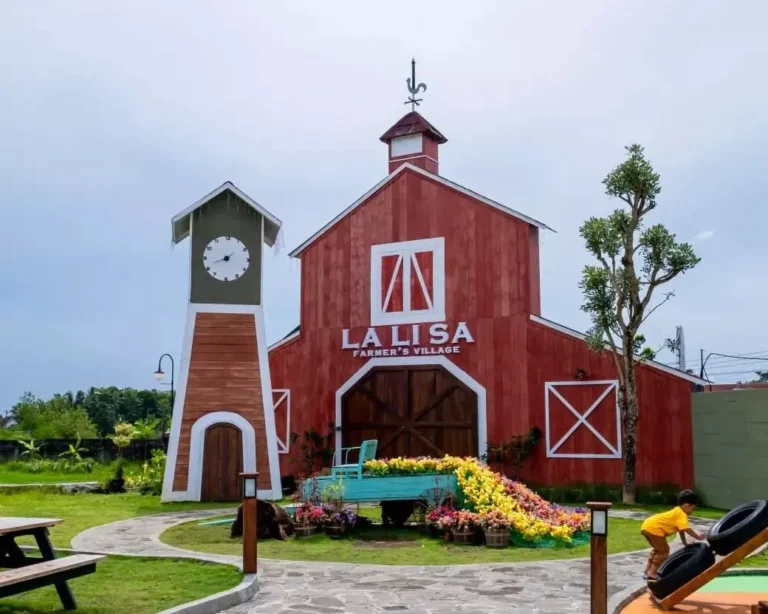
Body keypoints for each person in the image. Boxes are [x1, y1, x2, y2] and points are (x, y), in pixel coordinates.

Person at [640, 489, 706, 581]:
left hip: (647, 526)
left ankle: (648, 570)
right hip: (655, 529)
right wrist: (698, 537)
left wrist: (685, 543)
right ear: (687, 505)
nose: (692, 511)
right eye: (692, 508)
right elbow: (686, 529)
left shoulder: (677, 511)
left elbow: (681, 530)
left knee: (658, 551)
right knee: (664, 552)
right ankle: (652, 573)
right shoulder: (681, 514)